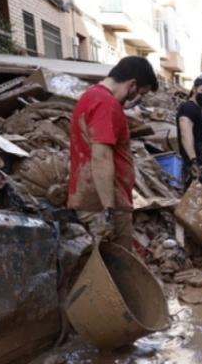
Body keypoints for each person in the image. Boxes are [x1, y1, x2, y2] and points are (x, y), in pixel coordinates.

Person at [67, 56, 157, 249]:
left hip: (93, 198)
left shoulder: (91, 96)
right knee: (116, 270)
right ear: (132, 85)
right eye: (139, 93)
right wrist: (109, 210)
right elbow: (101, 157)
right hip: (104, 204)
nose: (135, 99)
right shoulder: (106, 104)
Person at [176, 74, 202, 189]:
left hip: (201, 166)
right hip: (196, 167)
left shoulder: (197, 110)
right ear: (194, 89)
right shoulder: (189, 108)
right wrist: (193, 161)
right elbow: (185, 133)